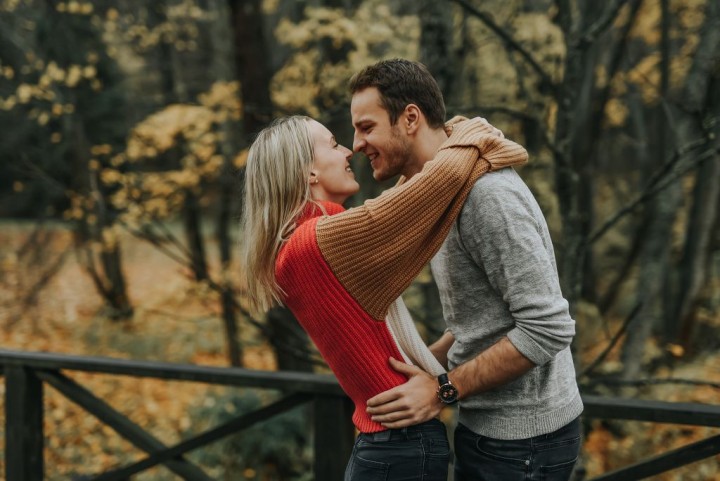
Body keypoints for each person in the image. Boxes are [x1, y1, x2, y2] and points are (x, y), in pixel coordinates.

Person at [240, 114, 528, 480]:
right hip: (400, 447)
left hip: (389, 447)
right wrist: (477, 130)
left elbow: (409, 193)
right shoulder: (320, 242)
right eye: (332, 144)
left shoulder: (302, 242)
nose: (347, 150)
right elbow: (447, 178)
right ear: (308, 173)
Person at [351, 58, 583, 481]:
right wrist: (427, 365)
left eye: (366, 127)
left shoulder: (486, 196)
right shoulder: (439, 190)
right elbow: (483, 318)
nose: (355, 144)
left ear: (410, 118)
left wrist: (441, 389)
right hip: (488, 430)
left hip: (525, 443)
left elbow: (548, 326)